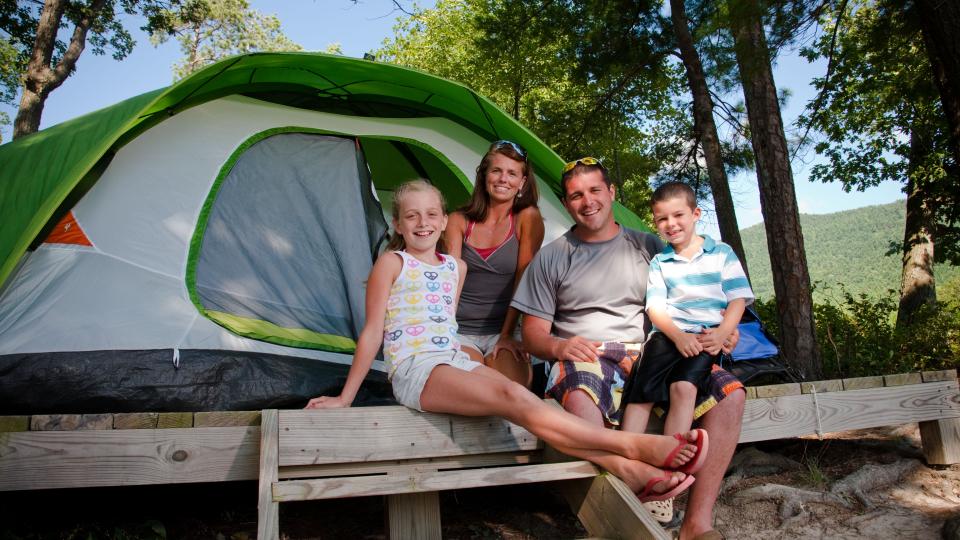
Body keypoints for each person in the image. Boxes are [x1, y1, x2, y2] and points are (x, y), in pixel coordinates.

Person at [306, 179, 708, 503]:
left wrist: (494, 343)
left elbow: (447, 322)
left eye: (430, 214)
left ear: (445, 221)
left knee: (522, 400)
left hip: (452, 359)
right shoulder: (392, 263)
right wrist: (345, 397)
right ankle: (635, 446)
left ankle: (628, 470)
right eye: (412, 216)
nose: (422, 223)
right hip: (415, 367)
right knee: (513, 399)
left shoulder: (455, 267)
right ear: (398, 224)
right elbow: (372, 331)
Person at [512, 159, 746, 540]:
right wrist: (560, 345)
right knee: (579, 396)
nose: (588, 201)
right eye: (576, 195)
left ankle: (696, 525)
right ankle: (626, 501)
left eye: (595, 190)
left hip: (654, 350)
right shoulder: (553, 256)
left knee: (730, 395)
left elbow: (699, 297)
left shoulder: (650, 246)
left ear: (611, 193)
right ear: (566, 203)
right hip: (587, 353)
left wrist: (724, 331)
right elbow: (532, 336)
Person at [621, 181, 753, 450]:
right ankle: (626, 452)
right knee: (642, 391)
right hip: (668, 334)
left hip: (705, 336)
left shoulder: (721, 253)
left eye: (678, 215)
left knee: (684, 388)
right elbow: (655, 308)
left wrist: (721, 334)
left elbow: (737, 300)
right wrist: (678, 336)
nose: (671, 224)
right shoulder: (661, 262)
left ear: (695, 214)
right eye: (662, 219)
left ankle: (671, 453)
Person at [446, 140, 545, 387]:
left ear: (522, 182)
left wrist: (507, 334)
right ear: (484, 176)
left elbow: (524, 281)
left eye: (512, 173)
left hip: (504, 330)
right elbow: (449, 282)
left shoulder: (527, 218)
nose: (503, 179)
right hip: (460, 330)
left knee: (512, 391)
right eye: (496, 171)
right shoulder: (458, 220)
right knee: (475, 391)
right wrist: (445, 331)